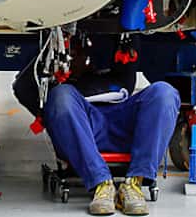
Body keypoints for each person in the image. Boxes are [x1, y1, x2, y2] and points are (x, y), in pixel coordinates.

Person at [13, 44, 180, 215]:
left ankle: (134, 184)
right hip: (81, 123)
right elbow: (22, 88)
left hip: (125, 116)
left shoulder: (124, 40)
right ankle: (101, 183)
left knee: (165, 93)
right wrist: (54, 116)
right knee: (60, 96)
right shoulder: (60, 48)